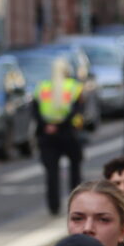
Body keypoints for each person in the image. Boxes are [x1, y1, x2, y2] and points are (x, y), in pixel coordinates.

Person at [33, 57, 84, 216]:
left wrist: (47, 125)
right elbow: (76, 111)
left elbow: (34, 111)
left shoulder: (42, 87)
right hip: (68, 133)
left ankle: (53, 206)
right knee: (75, 169)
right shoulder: (74, 87)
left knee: (51, 173)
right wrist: (60, 125)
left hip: (47, 134)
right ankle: (75, 204)